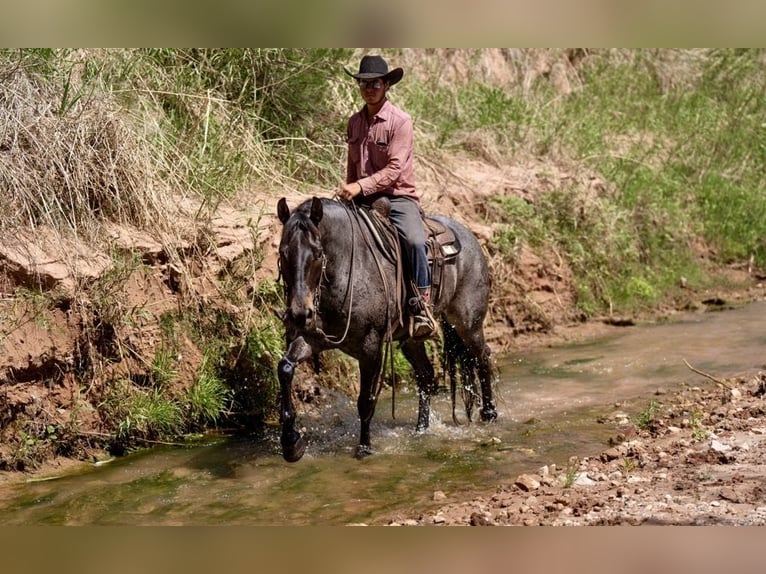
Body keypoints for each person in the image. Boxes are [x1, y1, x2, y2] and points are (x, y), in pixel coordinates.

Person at [338, 54, 435, 339]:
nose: (369, 88)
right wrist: (349, 188)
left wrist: (360, 186)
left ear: (386, 85)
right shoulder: (354, 122)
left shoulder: (400, 121)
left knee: (416, 241)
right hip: (362, 197)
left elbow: (394, 170)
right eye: (364, 83)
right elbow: (351, 164)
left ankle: (421, 305)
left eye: (375, 83)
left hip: (398, 198)